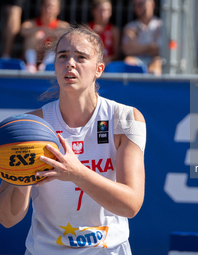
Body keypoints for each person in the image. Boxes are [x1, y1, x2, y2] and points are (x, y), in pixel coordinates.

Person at [0, 25, 146, 254]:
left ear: (99, 69)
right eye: (62, 56)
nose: (70, 63)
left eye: (81, 57)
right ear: (55, 67)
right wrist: (23, 180)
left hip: (108, 250)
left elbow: (131, 205)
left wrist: (77, 173)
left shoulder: (125, 118)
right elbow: (8, 219)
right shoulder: (29, 126)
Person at [20, 0, 69, 73]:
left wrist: (49, 33)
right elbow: (23, 30)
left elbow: (67, 33)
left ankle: (45, 65)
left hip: (50, 55)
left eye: (52, 7)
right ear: (41, 7)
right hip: (35, 53)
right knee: (33, 36)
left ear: (58, 9)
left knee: (57, 39)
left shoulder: (62, 25)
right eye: (46, 6)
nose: (49, 9)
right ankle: (31, 64)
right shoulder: (31, 23)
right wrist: (41, 31)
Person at [122, 0, 163, 75]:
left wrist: (138, 47)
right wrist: (150, 47)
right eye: (135, 5)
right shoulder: (130, 26)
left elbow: (160, 50)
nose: (137, 7)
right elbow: (128, 50)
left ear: (152, 4)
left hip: (155, 60)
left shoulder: (161, 25)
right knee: (128, 61)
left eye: (141, 3)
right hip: (137, 61)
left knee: (157, 62)